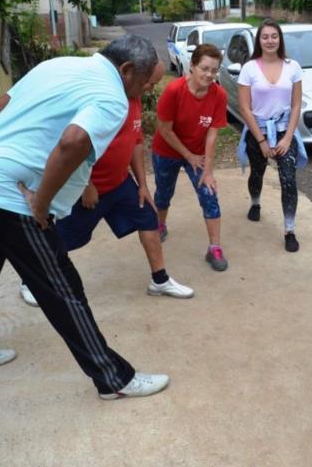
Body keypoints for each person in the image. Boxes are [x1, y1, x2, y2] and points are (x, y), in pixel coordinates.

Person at [0, 34, 169, 400]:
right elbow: (73, 141)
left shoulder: (58, 65)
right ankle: (113, 379)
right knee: (63, 290)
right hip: (10, 197)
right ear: (126, 70)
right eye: (145, 82)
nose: (144, 91)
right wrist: (41, 204)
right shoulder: (112, 96)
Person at [17, 58, 193, 306]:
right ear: (134, 74)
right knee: (61, 239)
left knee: (149, 219)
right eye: (149, 83)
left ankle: (160, 280)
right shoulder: (103, 99)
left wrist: (142, 184)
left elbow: (136, 142)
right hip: (86, 189)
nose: (151, 88)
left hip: (121, 183)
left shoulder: (135, 98)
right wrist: (87, 185)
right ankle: (29, 280)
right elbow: (73, 143)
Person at [152, 43, 229, 271]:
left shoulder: (219, 95)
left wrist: (208, 171)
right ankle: (161, 224)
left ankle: (214, 247)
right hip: (167, 149)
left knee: (209, 194)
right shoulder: (174, 91)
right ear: (192, 66)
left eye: (214, 70)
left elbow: (212, 135)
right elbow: (165, 130)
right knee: (164, 193)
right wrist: (188, 155)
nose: (209, 75)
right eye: (204, 68)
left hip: (197, 152)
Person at [236, 19, 307, 252]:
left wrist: (287, 138)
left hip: (285, 129)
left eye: (274, 36)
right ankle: (255, 203)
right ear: (259, 40)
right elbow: (245, 108)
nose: (269, 40)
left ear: (280, 39)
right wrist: (261, 141)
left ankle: (289, 229)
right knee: (257, 173)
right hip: (259, 131)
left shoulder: (293, 66)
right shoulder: (249, 68)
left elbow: (296, 104)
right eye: (265, 36)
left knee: (288, 179)